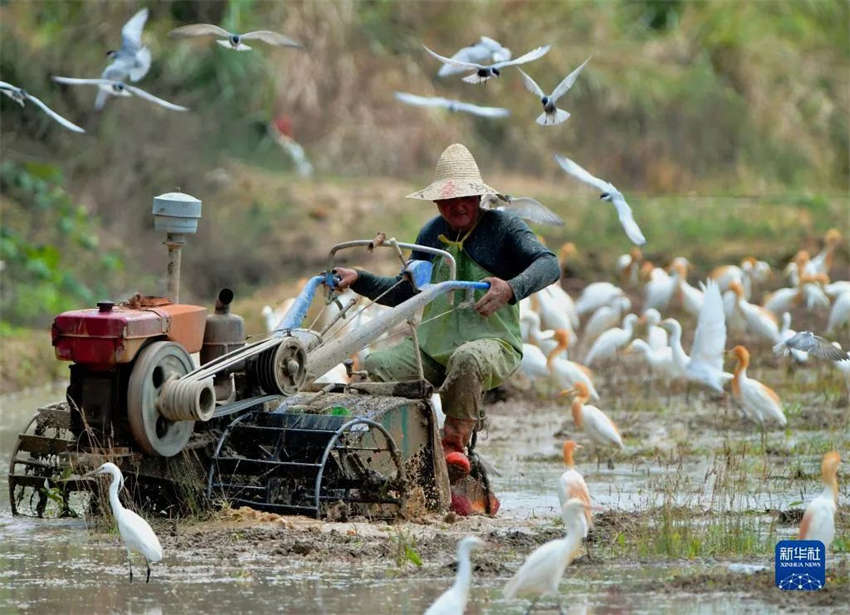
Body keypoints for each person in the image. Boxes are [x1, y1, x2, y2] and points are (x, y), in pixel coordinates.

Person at [334, 143, 560, 511]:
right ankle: (389, 453)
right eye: (446, 200)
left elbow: (549, 264)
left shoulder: (505, 229)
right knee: (377, 366)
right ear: (436, 203)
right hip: (432, 349)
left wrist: (510, 288)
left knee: (468, 358)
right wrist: (359, 278)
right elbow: (406, 290)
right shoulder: (430, 233)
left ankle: (452, 444)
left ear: (478, 196)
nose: (456, 206)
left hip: (492, 345)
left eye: (465, 198)